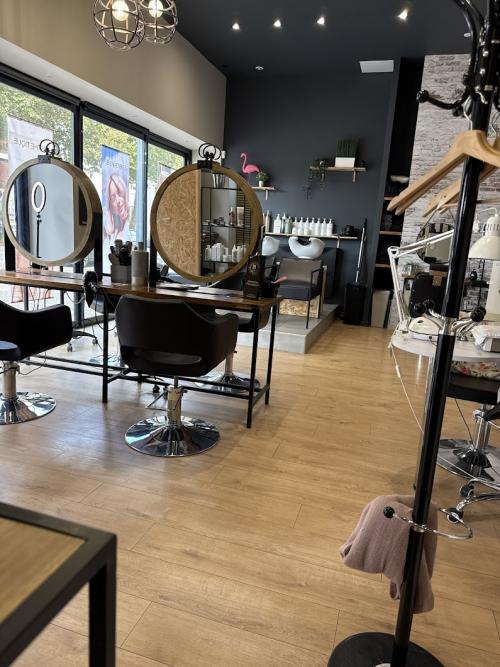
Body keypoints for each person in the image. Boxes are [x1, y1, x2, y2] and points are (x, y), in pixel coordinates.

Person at [105, 173, 129, 241]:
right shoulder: (114, 230)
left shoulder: (129, 227)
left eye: (120, 193)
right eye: (113, 197)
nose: (118, 201)